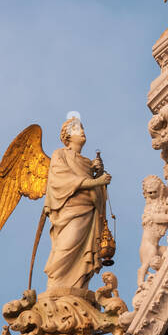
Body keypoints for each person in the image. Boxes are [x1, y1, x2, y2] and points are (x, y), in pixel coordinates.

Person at [43, 119, 110, 295]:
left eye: (82, 128)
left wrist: (98, 175)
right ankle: (56, 286)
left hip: (88, 211)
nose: (81, 131)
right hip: (70, 211)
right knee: (66, 246)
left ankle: (78, 287)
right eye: (76, 129)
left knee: (83, 256)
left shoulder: (87, 162)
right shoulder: (60, 154)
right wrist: (96, 181)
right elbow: (62, 179)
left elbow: (96, 190)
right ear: (67, 136)